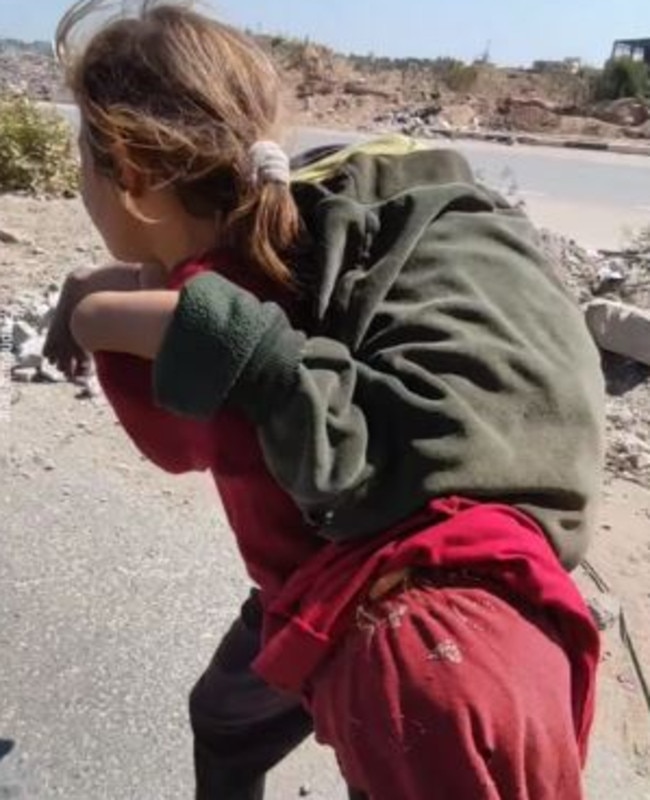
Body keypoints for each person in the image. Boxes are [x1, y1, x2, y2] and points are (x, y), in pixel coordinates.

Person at [46, 2, 605, 798]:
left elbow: (176, 443)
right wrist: (108, 289)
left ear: (130, 174)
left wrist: (101, 317)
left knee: (320, 731)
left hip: (389, 609)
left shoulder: (227, 298)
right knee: (227, 716)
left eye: (83, 157)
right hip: (327, 570)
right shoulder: (288, 229)